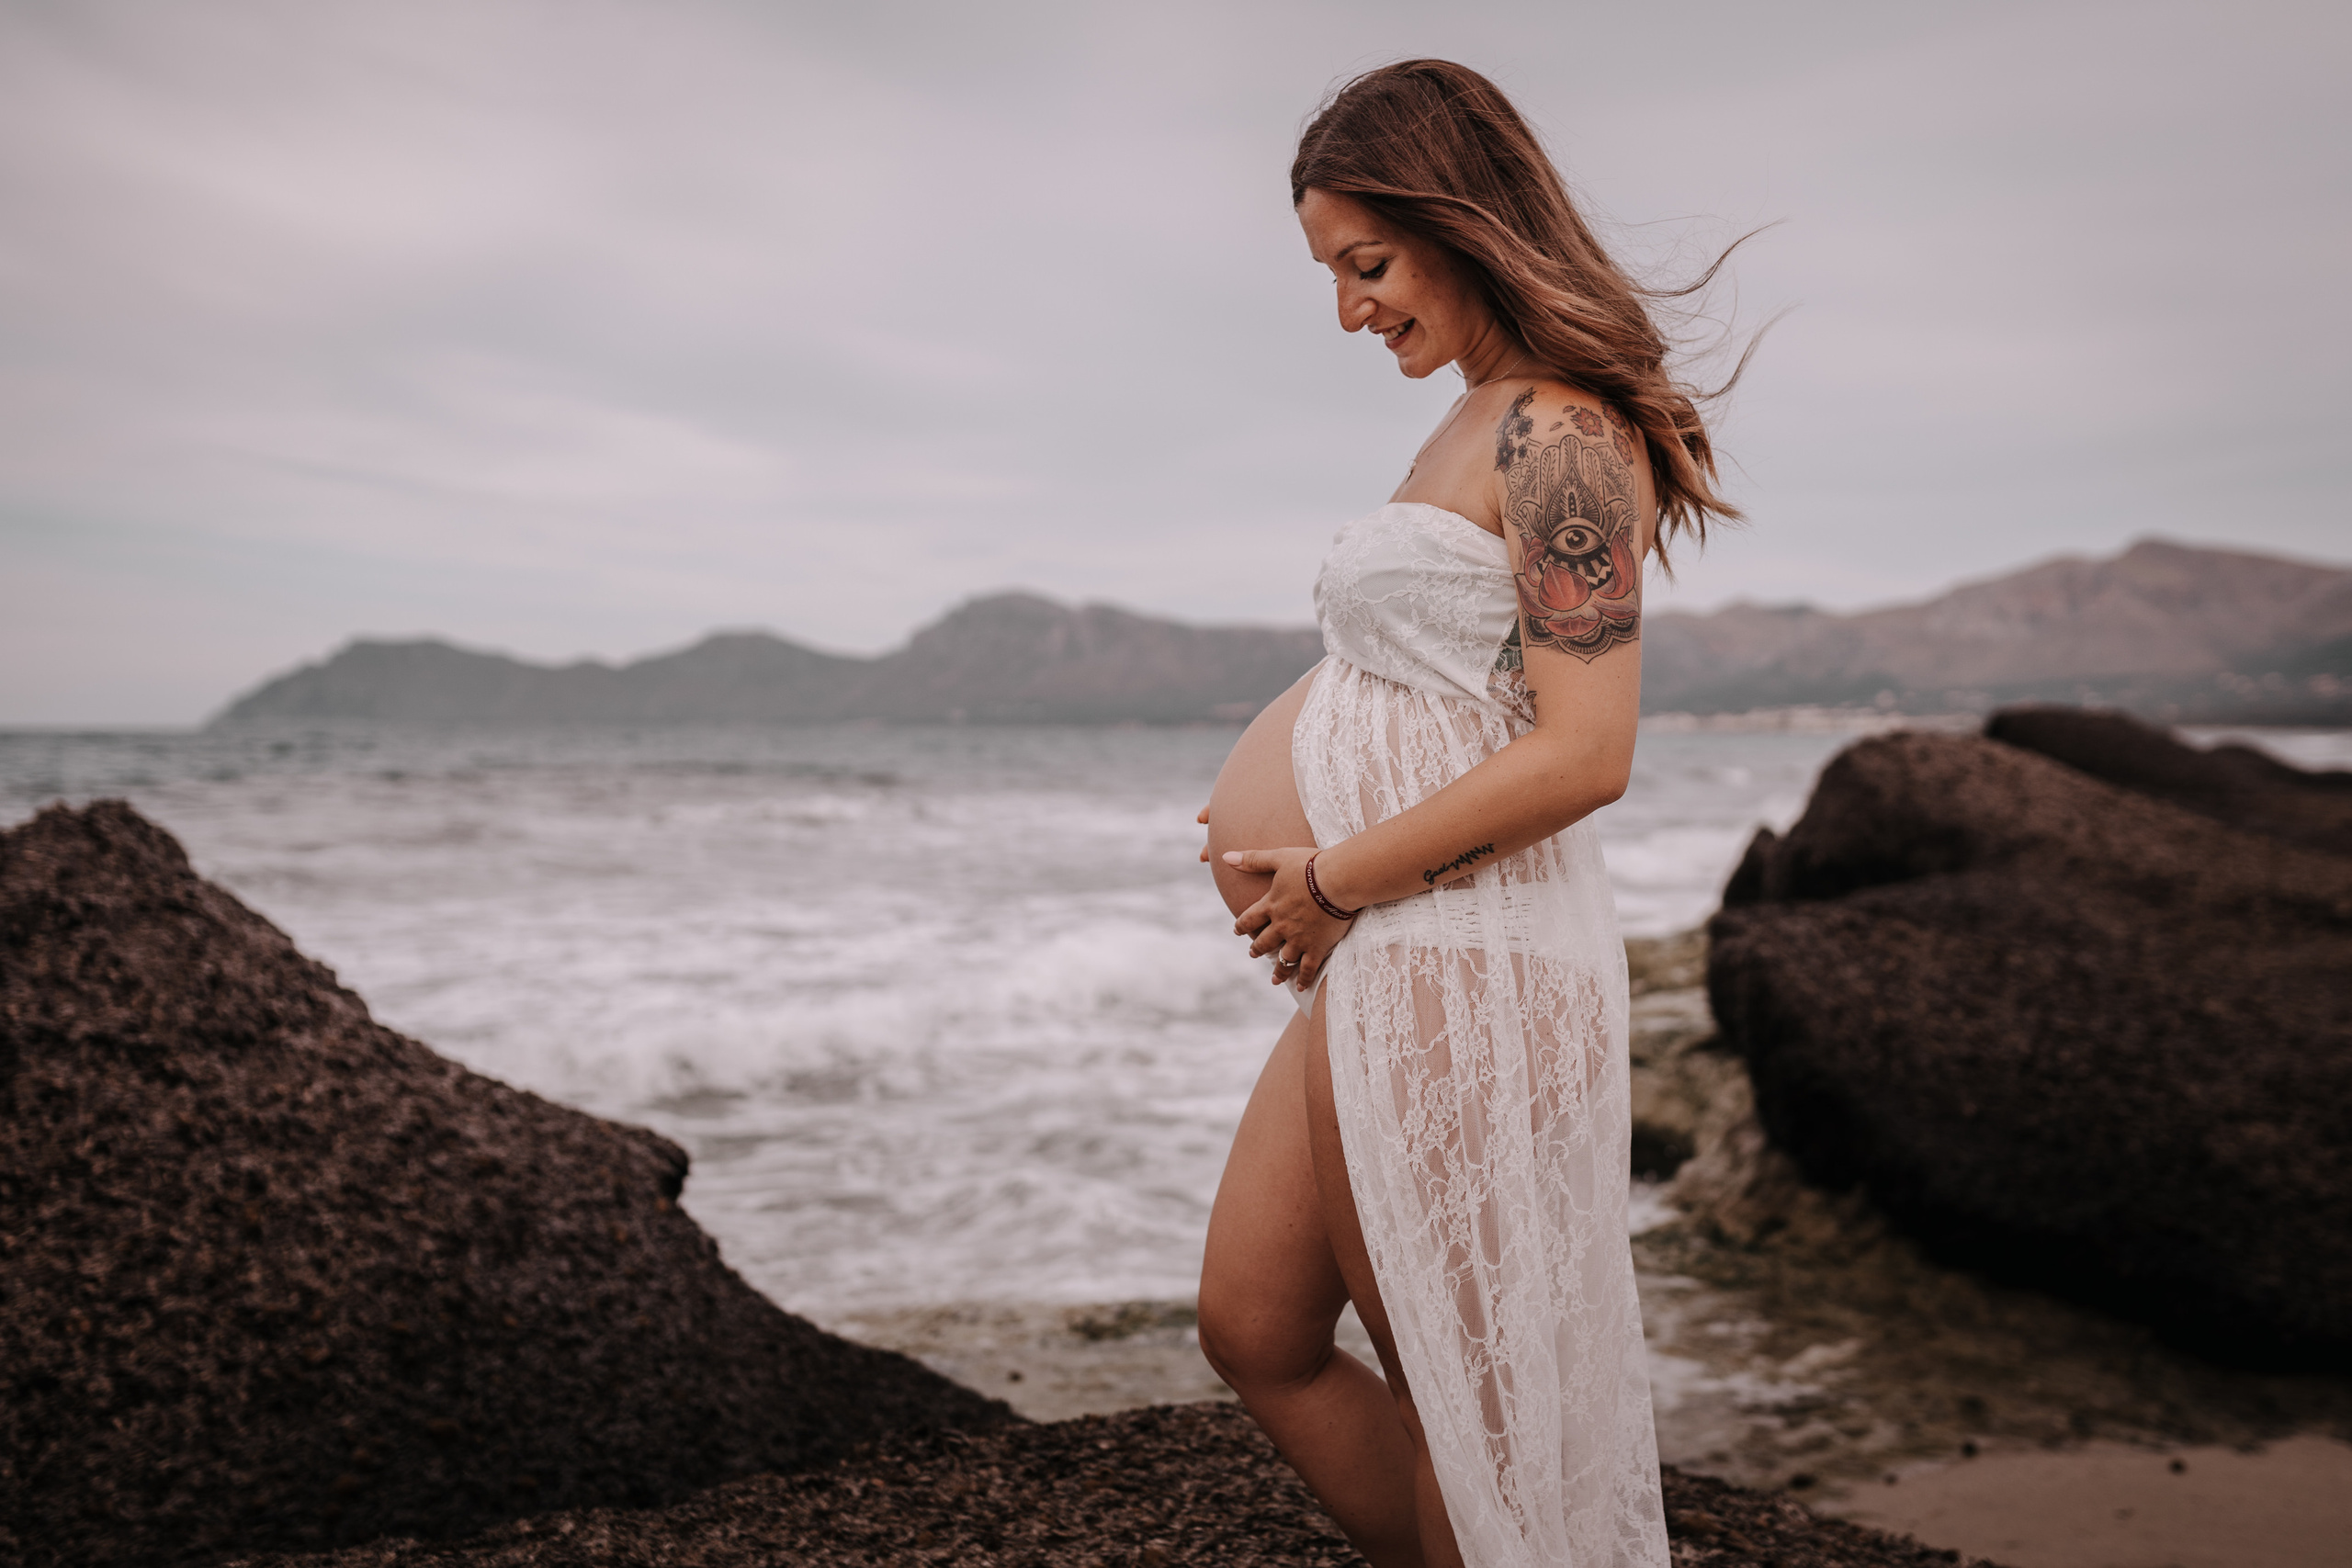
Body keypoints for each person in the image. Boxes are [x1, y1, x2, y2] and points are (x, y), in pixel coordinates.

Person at [1193, 60, 1748, 1568]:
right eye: (1330, 276)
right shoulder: (1469, 420)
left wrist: (1335, 879)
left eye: (1365, 265)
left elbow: (1585, 753)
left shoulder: (1563, 439)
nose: (1349, 311)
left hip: (1462, 949)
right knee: (1253, 1324)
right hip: (1390, 949)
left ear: (1461, 220)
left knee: (1470, 1404)